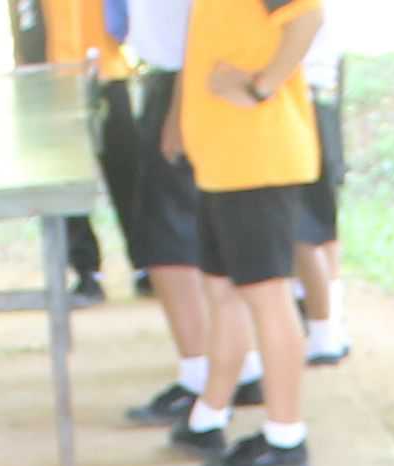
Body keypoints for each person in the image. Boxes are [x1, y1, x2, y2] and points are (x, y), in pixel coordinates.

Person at [164, 0, 322, 466]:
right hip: (222, 161)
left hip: (257, 158)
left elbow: (308, 17)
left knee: (267, 296)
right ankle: (209, 415)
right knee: (222, 291)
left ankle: (285, 435)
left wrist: (261, 85)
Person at [104, 0, 252, 428]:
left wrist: (179, 108)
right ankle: (239, 368)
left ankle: (199, 376)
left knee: (166, 241)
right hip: (174, 78)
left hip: (184, 81)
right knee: (185, 233)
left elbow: (203, 21)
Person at [12, 0, 112, 302]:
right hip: (48, 83)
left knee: (125, 171)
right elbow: (24, 27)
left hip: (100, 72)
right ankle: (86, 270)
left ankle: (147, 267)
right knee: (65, 181)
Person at [289, 10, 347, 365]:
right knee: (318, 223)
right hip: (317, 92)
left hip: (301, 94)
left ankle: (325, 331)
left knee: (303, 228)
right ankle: (330, 325)